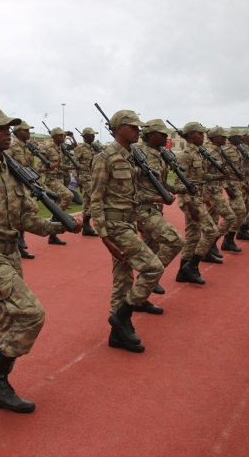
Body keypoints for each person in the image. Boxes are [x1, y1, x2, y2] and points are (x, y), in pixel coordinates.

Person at [0, 107, 81, 412]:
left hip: (11, 253)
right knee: (31, 313)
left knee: (9, 319)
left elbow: (25, 219)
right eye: (0, 128)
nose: (7, 132)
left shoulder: (14, 171)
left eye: (9, 128)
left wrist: (55, 225)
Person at [90, 110, 164, 353]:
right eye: (133, 127)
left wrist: (153, 197)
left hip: (129, 222)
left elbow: (130, 194)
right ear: (119, 128)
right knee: (154, 268)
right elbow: (96, 199)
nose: (138, 131)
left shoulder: (133, 156)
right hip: (115, 227)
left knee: (122, 280)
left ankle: (117, 334)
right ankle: (122, 317)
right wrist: (103, 235)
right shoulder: (106, 158)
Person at [135, 119, 184, 302]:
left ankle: (142, 298)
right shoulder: (140, 156)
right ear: (150, 135)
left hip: (156, 209)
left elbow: (160, 184)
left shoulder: (160, 155)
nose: (166, 137)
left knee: (151, 250)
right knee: (176, 241)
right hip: (144, 210)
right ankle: (149, 275)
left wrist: (179, 189)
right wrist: (153, 199)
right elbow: (132, 189)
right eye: (162, 134)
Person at [173, 123, 219, 285]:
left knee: (192, 236)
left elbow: (198, 179)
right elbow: (179, 182)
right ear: (191, 135)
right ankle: (191, 266)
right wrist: (189, 204)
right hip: (190, 200)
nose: (203, 136)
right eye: (200, 133)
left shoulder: (198, 153)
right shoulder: (185, 155)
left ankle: (182, 272)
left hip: (197, 197)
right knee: (212, 231)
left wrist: (205, 194)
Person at [5, 120, 40, 259]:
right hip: (16, 185)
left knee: (23, 213)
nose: (28, 132)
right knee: (32, 209)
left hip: (28, 185)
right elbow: (6, 164)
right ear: (18, 132)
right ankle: (17, 239)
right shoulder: (12, 147)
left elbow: (30, 167)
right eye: (26, 130)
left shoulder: (28, 147)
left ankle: (19, 246)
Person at [202, 126, 235, 264]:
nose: (226, 138)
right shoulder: (210, 153)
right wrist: (218, 177)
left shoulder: (220, 152)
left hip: (217, 188)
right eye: (222, 136)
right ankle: (209, 245)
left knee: (214, 221)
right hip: (211, 191)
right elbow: (202, 175)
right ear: (215, 138)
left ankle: (208, 250)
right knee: (230, 216)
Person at [40, 127, 75, 245]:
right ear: (54, 137)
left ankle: (53, 235)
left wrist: (73, 167)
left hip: (60, 178)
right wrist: (47, 168)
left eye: (64, 135)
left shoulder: (61, 148)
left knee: (57, 204)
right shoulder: (47, 149)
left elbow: (61, 167)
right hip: (51, 179)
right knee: (68, 195)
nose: (63, 137)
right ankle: (55, 219)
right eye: (61, 135)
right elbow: (39, 167)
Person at [220, 129, 249, 252]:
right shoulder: (226, 151)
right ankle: (226, 239)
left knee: (236, 213)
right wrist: (226, 187)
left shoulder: (238, 151)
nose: (240, 138)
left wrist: (243, 184)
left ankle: (228, 239)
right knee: (240, 212)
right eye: (238, 136)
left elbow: (238, 170)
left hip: (237, 184)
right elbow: (222, 170)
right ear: (232, 138)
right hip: (231, 185)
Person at [74, 127, 101, 236]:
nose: (94, 136)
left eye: (94, 134)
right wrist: (77, 178)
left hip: (94, 177)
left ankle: (86, 228)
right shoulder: (80, 148)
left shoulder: (94, 148)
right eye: (91, 134)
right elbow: (74, 163)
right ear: (85, 136)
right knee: (96, 198)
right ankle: (86, 222)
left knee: (87, 202)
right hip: (85, 177)